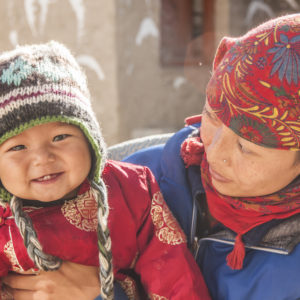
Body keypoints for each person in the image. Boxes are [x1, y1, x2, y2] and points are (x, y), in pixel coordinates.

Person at [3, 13, 300, 300]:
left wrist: (100, 293)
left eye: (247, 147)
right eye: (213, 116)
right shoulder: (136, 176)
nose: (215, 153)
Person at [0, 41, 211, 300]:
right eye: (18, 147)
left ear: (90, 140)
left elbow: (171, 272)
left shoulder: (131, 191)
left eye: (60, 137)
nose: (43, 158)